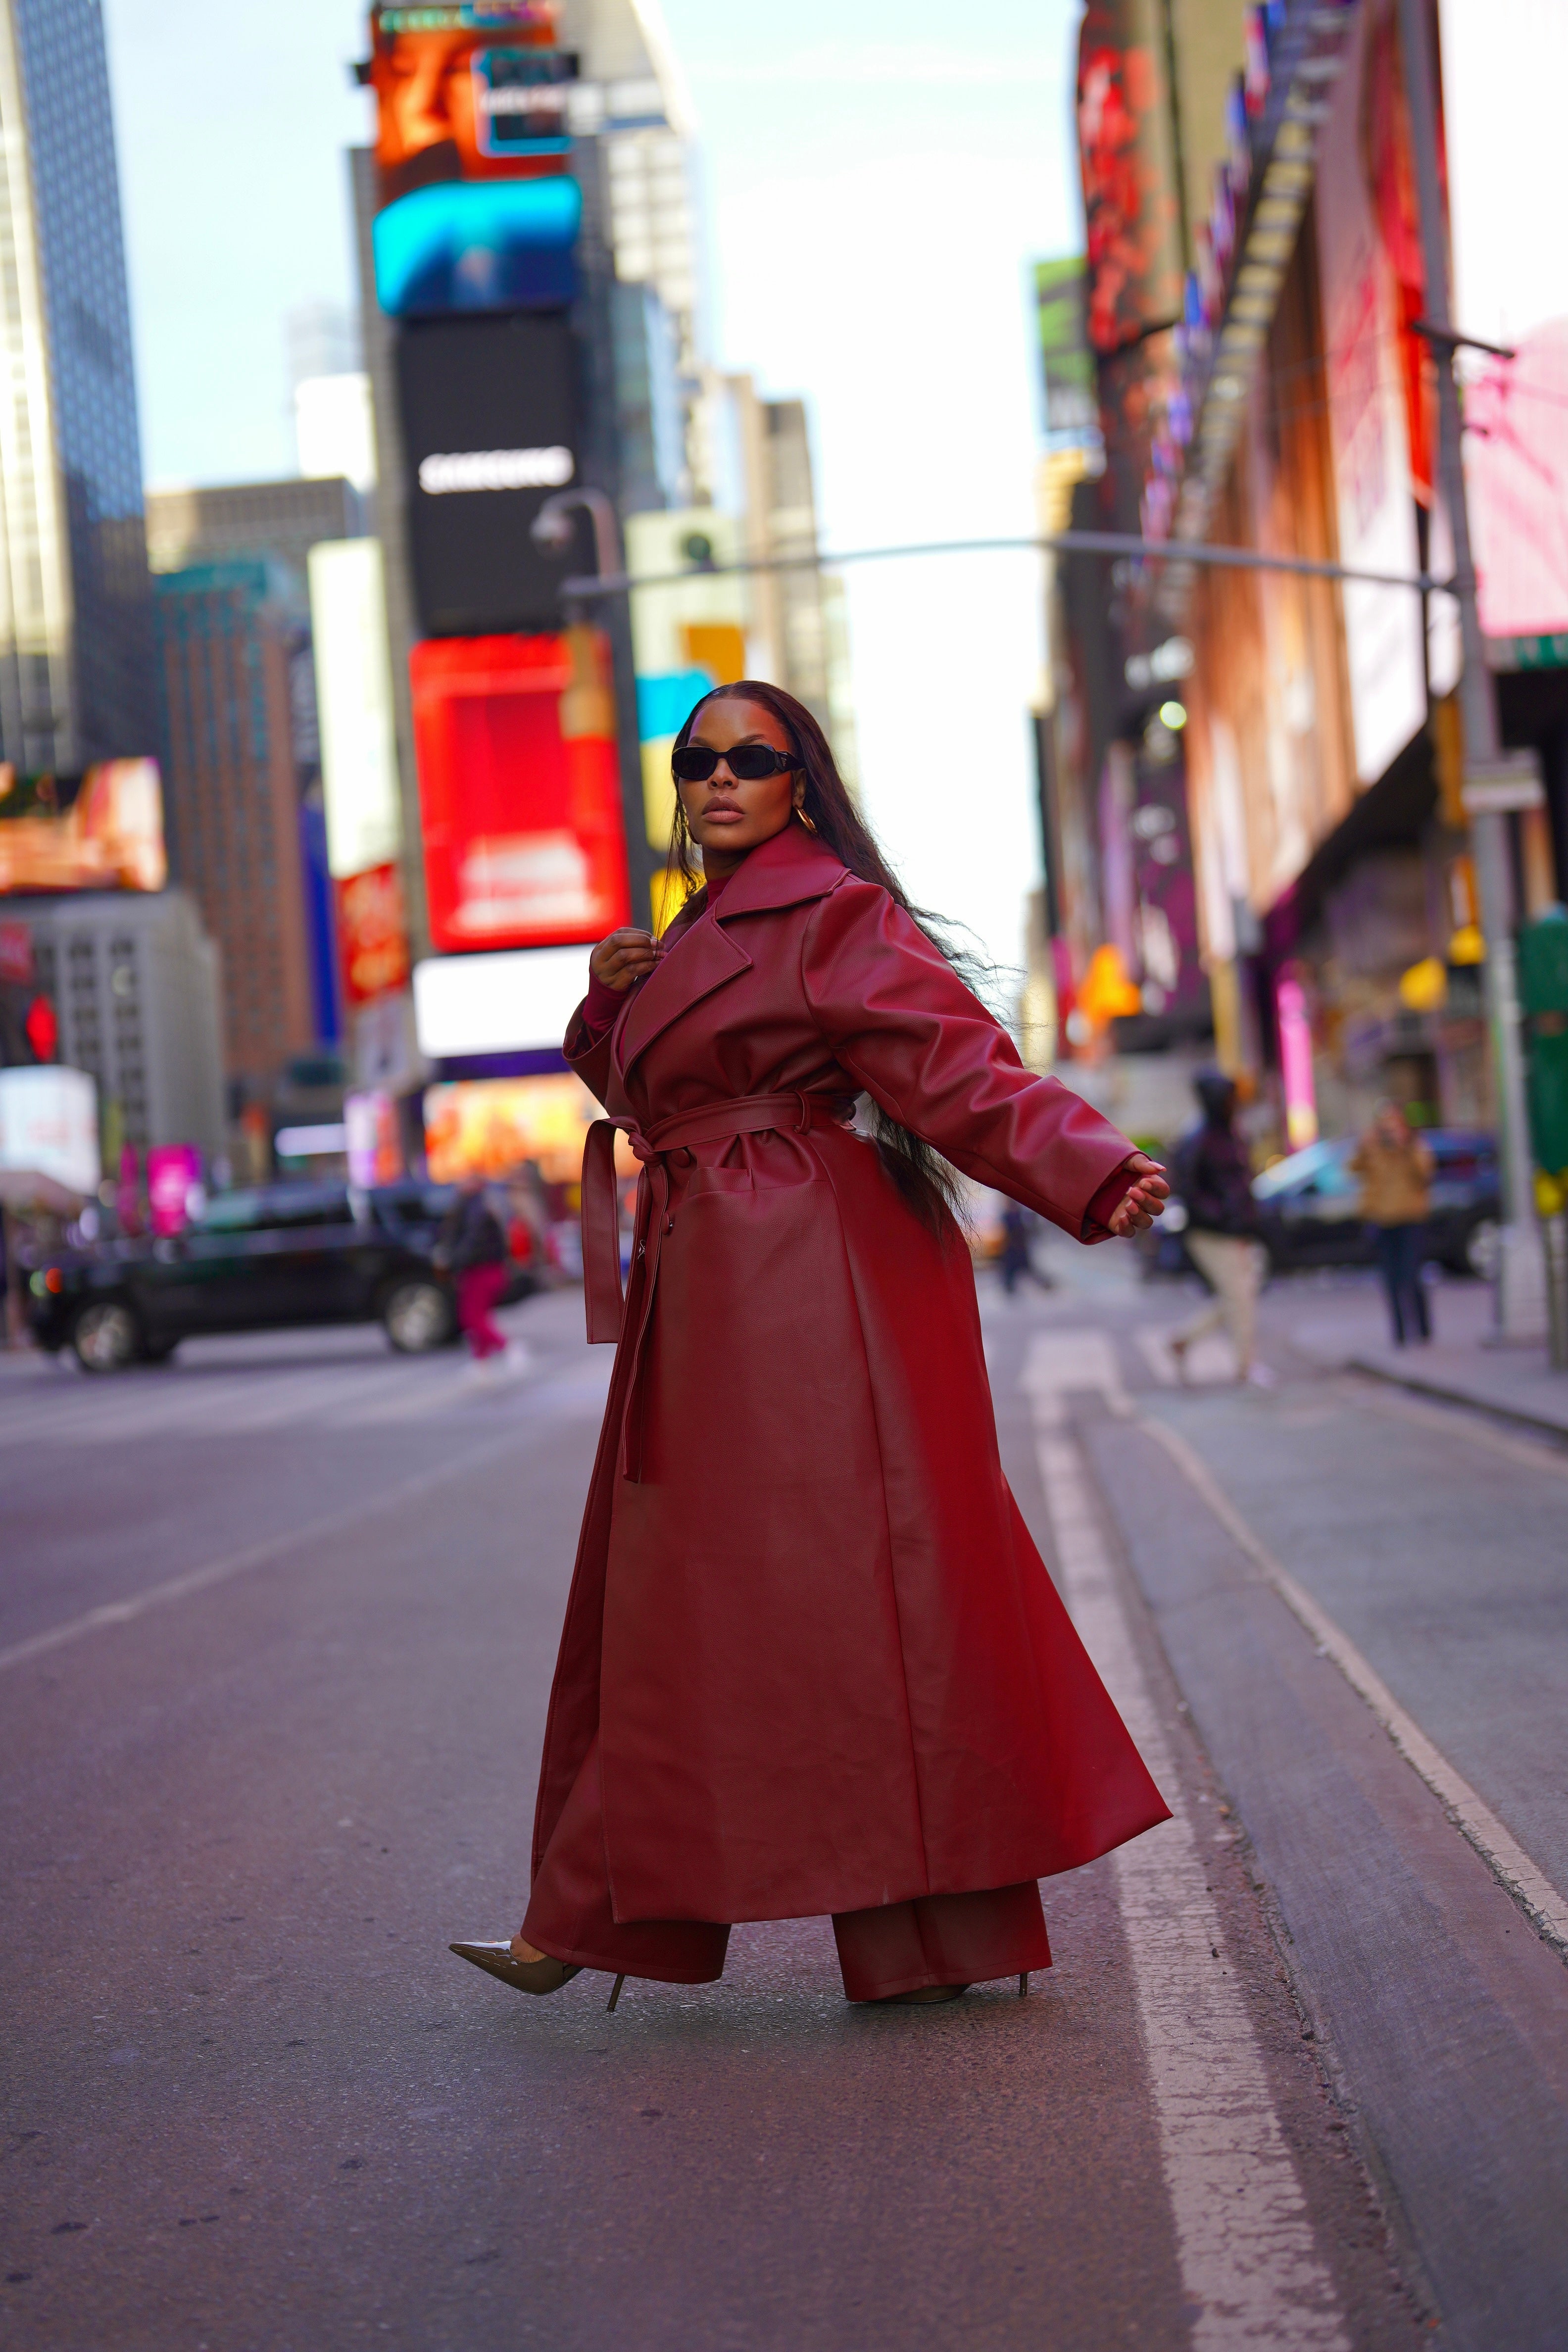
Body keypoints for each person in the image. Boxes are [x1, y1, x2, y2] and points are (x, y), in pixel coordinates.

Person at [453, 682, 1171, 2011]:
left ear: (801, 781)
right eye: (697, 759)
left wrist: (1089, 1165)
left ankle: (624, 1917)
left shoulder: (834, 910)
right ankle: (652, 1914)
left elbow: (953, 1067)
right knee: (702, 1589)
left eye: (752, 758)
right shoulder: (693, 931)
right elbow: (649, 1096)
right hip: (713, 1276)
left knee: (838, 1585)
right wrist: (607, 1008)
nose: (719, 779)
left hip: (801, 1275)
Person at [1168, 1070, 1270, 1385]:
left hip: (1238, 1229)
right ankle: (1245, 1366)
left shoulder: (1233, 1134)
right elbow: (1187, 1188)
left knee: (1240, 1294)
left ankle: (1183, 1340)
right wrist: (1221, 1216)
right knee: (1239, 1297)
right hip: (1211, 1233)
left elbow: (1241, 1182)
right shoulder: (1199, 1140)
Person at [1351, 1103, 1434, 1345]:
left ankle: (1423, 1329)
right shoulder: (1374, 1148)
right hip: (1383, 1220)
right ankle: (1399, 1333)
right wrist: (1365, 1146)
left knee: (1412, 1276)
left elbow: (1426, 1175)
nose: (1389, 1131)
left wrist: (1405, 1147)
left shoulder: (1414, 1147)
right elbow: (1353, 1169)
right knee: (1391, 1279)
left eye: (1394, 1125)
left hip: (1410, 1219)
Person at [437, 1174, 513, 1378]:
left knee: (472, 1317)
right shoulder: (481, 1205)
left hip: (481, 1269)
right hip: (486, 1268)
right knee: (478, 1315)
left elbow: (470, 1241)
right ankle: (482, 1361)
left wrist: (454, 1262)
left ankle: (507, 1348)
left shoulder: (475, 1208)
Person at [998, 1199, 1054, 1295]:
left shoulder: (1018, 1215)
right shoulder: (1009, 1216)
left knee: (1025, 1270)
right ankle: (1009, 1290)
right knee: (1012, 1272)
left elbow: (1028, 1228)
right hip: (1013, 1249)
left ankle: (1045, 1285)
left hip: (1019, 1249)